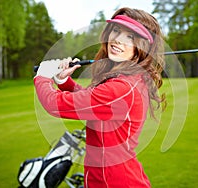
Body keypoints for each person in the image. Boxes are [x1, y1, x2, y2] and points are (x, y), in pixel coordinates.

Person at [34, 7, 165, 188]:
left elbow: (55, 104)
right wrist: (65, 82)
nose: (117, 40)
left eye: (130, 37)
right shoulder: (128, 80)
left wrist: (42, 77)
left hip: (115, 183)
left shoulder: (121, 88)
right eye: (117, 31)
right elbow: (94, 101)